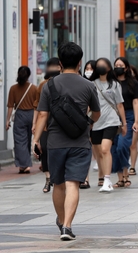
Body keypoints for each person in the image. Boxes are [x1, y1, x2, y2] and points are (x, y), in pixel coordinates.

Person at [33, 42, 101, 240]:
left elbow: (43, 115)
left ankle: (62, 221)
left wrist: (36, 140)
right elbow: (96, 113)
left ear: (60, 63)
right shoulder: (89, 85)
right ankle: (67, 227)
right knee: (73, 184)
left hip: (55, 142)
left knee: (58, 184)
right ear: (80, 62)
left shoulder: (49, 85)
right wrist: (87, 123)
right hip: (79, 142)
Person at [90, 58, 127, 192]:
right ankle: (103, 176)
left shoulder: (115, 85)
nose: (100, 67)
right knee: (99, 152)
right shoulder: (91, 84)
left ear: (109, 68)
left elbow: (120, 105)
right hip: (96, 122)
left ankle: (107, 179)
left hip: (111, 120)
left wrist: (124, 123)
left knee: (106, 149)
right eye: (98, 65)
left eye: (103, 65)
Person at [111, 57, 138, 188]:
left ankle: (126, 174)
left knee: (122, 146)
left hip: (128, 116)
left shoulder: (132, 83)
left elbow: (136, 101)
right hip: (113, 117)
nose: (118, 67)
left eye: (121, 65)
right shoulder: (110, 82)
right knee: (114, 148)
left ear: (126, 68)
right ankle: (120, 177)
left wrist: (136, 120)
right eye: (116, 65)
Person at [33, 58, 61, 192]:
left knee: (55, 151)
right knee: (43, 150)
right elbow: (37, 108)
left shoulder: (63, 84)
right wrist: (34, 124)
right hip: (44, 125)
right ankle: (48, 178)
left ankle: (55, 177)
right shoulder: (43, 85)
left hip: (59, 125)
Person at [6, 66, 38, 174]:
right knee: (28, 139)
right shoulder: (34, 88)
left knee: (20, 141)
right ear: (28, 76)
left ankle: (23, 165)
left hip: (20, 115)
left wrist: (7, 120)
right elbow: (37, 105)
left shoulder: (13, 88)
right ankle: (25, 164)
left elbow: (10, 106)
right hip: (32, 115)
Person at [129, 64, 138, 175]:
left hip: (134, 116)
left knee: (133, 144)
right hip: (119, 117)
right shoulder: (115, 84)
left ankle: (132, 166)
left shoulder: (135, 84)